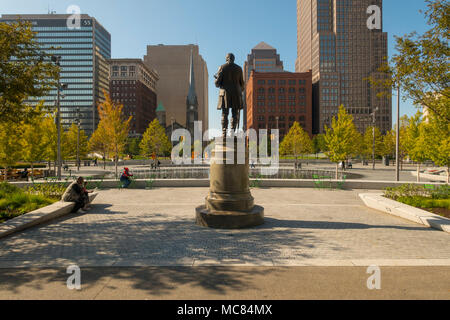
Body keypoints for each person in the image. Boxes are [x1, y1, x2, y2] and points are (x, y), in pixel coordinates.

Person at [215, 53, 245, 136]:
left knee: (225, 113)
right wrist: (240, 90)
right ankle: (232, 132)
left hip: (225, 94)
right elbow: (242, 84)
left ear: (227, 58)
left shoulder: (222, 67)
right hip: (236, 93)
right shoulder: (239, 69)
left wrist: (216, 80)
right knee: (235, 114)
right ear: (233, 59)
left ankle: (224, 132)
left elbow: (217, 83)